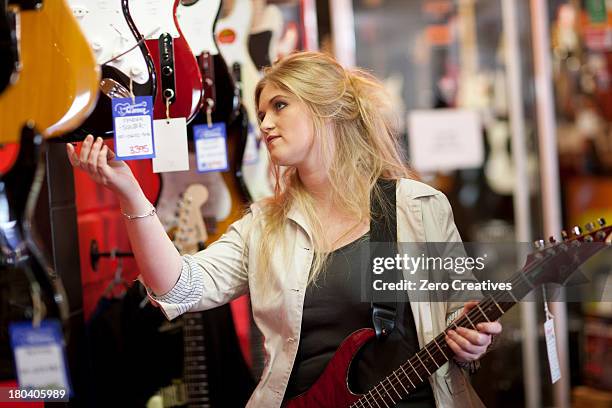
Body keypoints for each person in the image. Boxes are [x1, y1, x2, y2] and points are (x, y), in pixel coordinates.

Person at [67, 51, 501, 407]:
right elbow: (178, 289)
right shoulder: (264, 226)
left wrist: (473, 341)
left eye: (280, 105)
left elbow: (459, 316)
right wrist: (131, 194)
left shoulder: (419, 207)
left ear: (327, 110)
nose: (265, 124)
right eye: (261, 113)